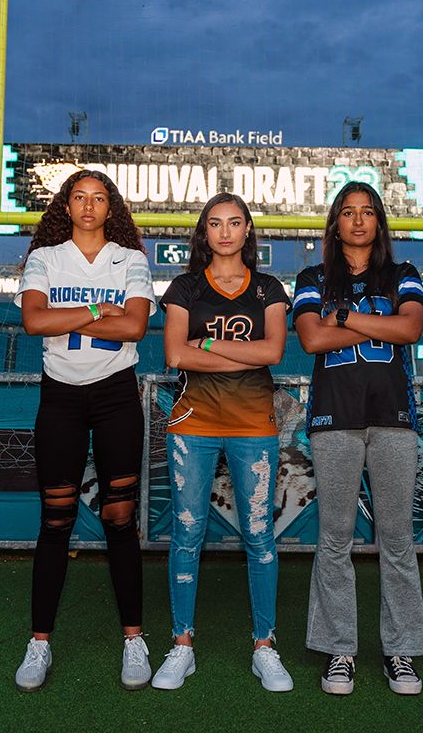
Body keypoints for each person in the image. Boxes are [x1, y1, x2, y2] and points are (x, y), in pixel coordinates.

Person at [13, 170, 156, 692]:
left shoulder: (131, 259)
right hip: (61, 395)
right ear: (67, 206)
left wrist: (64, 316)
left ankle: (134, 639)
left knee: (120, 516)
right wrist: (99, 308)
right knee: (56, 518)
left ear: (110, 206)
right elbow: (33, 322)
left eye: (99, 197)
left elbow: (135, 327)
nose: (89, 205)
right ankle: (40, 642)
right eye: (80, 197)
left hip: (117, 392)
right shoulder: (45, 258)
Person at [151, 193, 294, 692]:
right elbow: (173, 354)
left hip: (254, 424)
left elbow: (274, 350)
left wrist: (207, 345)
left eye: (235, 223)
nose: (226, 232)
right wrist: (242, 355)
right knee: (188, 533)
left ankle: (264, 646)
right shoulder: (185, 286)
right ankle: (182, 644)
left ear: (249, 230)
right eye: (216, 223)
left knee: (259, 537)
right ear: (204, 232)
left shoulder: (269, 288)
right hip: (193, 422)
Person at [293, 181, 423, 696]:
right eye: (347, 212)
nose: (357, 221)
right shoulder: (312, 276)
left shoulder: (403, 274)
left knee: (396, 539)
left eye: (367, 212)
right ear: (335, 222)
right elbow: (312, 338)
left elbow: (411, 329)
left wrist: (346, 317)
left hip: (393, 419)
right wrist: (381, 324)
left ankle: (400, 651)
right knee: (334, 539)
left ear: (379, 221)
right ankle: (339, 651)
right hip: (335, 418)